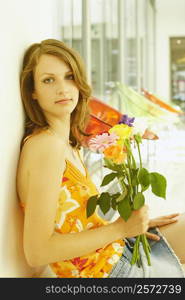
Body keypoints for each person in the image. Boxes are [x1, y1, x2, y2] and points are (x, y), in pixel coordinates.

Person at [16, 39, 185, 278]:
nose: (63, 88)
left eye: (69, 76)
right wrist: (120, 228)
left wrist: (129, 230)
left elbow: (77, 223)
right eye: (48, 80)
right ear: (32, 91)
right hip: (109, 273)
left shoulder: (66, 143)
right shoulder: (45, 147)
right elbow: (37, 252)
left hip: (115, 251)